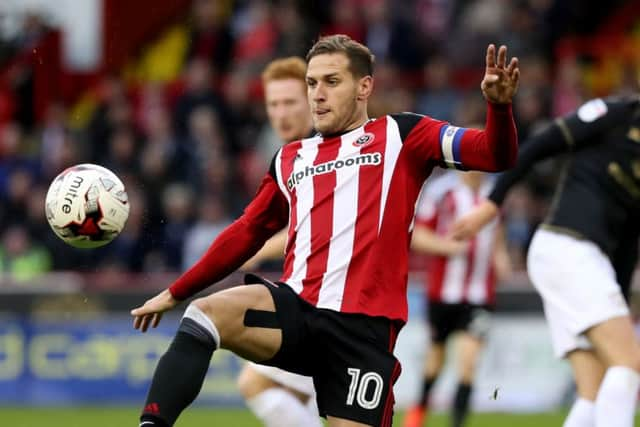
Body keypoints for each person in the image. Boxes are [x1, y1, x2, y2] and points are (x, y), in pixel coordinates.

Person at [131, 34, 519, 427]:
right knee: (205, 315)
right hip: (297, 310)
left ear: (364, 86)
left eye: (331, 82)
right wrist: (175, 292)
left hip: (362, 332)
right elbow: (247, 231)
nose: (318, 94)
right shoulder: (290, 157)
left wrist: (499, 108)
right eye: (312, 83)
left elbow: (494, 154)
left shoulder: (403, 135)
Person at [450, 96, 640, 427]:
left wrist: (620, 303)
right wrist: (492, 204)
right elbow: (539, 145)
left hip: (577, 261)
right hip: (569, 249)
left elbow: (627, 243)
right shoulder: (618, 113)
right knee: (628, 364)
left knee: (592, 392)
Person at [235, 56, 322, 427]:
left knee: (255, 381)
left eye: (290, 102)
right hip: (311, 296)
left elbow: (318, 223)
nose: (281, 113)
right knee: (296, 396)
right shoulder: (290, 156)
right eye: (273, 104)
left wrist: (254, 251)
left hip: (335, 304)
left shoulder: (324, 151)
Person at [403, 170, 511, 427]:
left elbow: (497, 233)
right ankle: (419, 412)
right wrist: (449, 246)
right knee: (435, 362)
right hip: (443, 294)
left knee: (468, 362)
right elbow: (416, 235)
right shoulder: (440, 192)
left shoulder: (494, 193)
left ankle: (457, 423)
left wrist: (501, 257)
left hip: (479, 296)